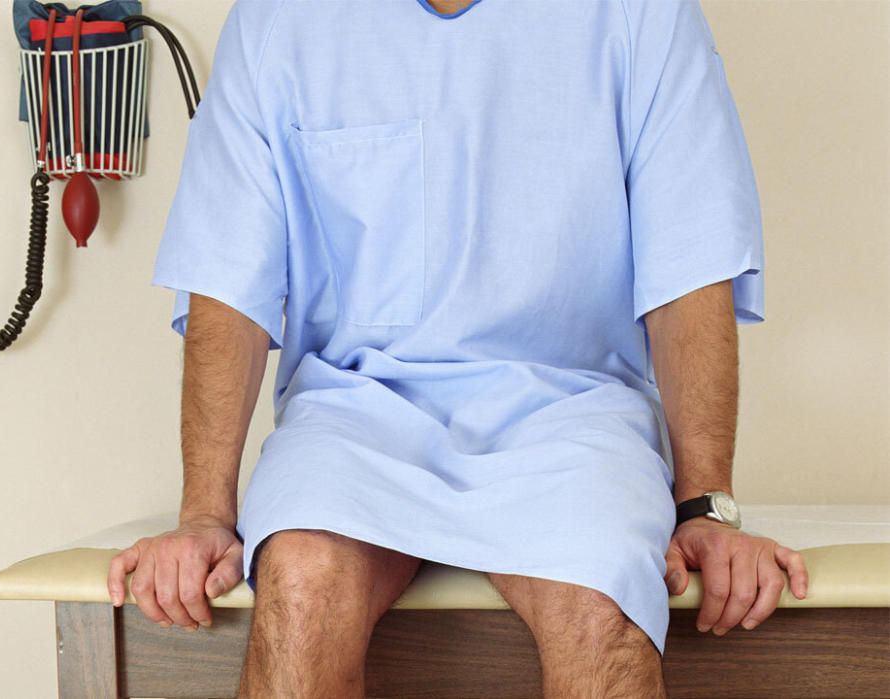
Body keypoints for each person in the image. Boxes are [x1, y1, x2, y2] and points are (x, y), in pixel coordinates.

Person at [108, 0, 810, 695]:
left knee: (601, 609)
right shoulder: (277, 20)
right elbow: (228, 281)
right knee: (299, 586)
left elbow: (689, 266)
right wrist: (203, 513)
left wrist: (705, 506)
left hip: (574, 414)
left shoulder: (642, 14)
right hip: (354, 414)